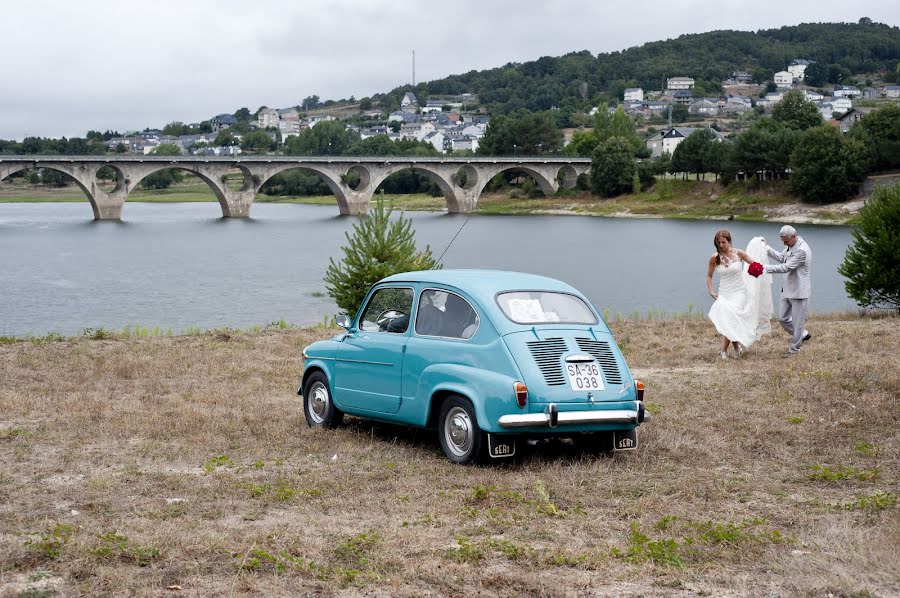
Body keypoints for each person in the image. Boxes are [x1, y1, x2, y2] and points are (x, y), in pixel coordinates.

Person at [706, 229, 773, 360]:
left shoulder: (739, 253)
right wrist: (711, 290)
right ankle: (736, 347)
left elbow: (755, 264)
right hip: (724, 292)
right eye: (718, 242)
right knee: (729, 320)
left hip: (739, 292)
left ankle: (723, 351)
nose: (721, 245)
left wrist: (761, 245)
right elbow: (709, 276)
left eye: (723, 242)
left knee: (732, 317)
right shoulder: (714, 257)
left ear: (729, 241)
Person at [763, 225, 812, 357]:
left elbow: (786, 267)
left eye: (785, 241)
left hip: (799, 292)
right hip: (787, 289)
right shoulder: (790, 245)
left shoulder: (802, 250)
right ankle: (804, 335)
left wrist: (764, 268)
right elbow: (782, 258)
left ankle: (794, 350)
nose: (784, 243)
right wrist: (766, 248)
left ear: (794, 236)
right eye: (783, 241)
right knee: (783, 318)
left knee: (798, 323)